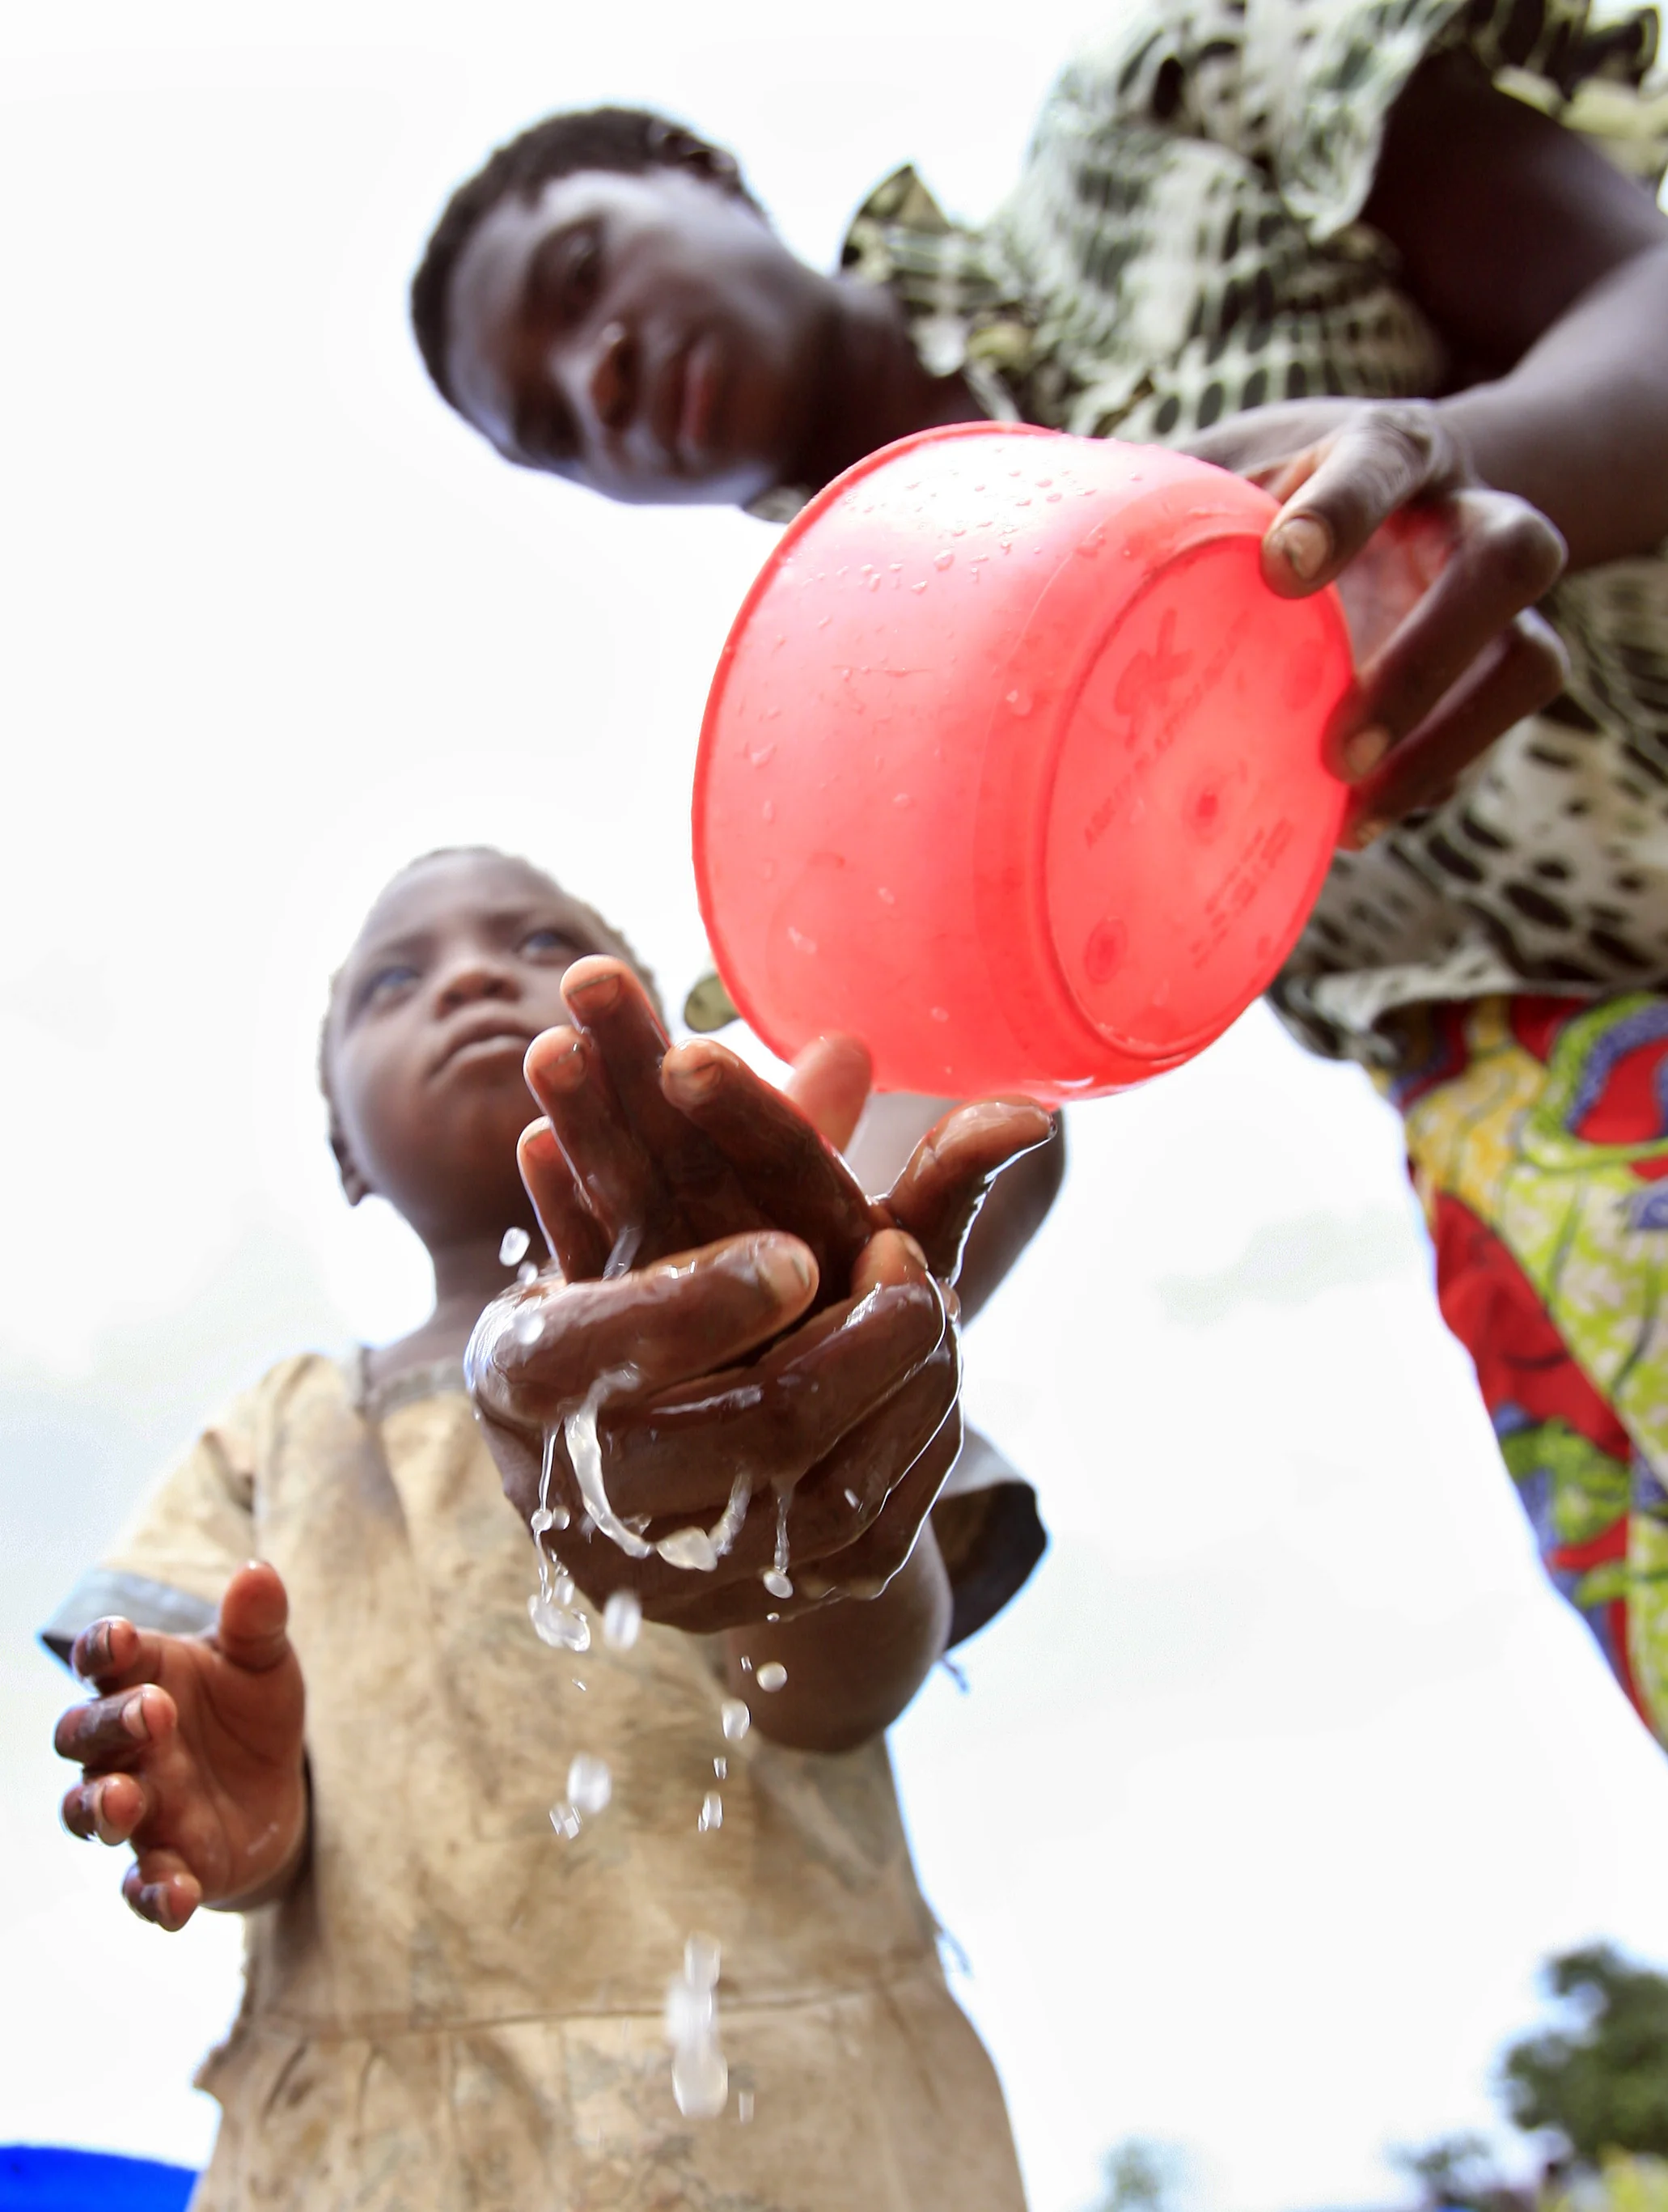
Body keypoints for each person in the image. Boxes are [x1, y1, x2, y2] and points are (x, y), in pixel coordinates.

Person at [407, 0, 1668, 1741]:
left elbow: (1645, 294)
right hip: (1565, 1108)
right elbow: (887, 1136)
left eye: (577, 280)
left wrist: (1468, 474)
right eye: (553, 422)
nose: (598, 378)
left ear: (692, 175)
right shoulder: (850, 754)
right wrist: (729, 1355)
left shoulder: (1167, 107)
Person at [45, 845, 1056, 2210]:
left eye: (539, 943)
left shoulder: (794, 1335)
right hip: (379, 2155)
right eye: (397, 976)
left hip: (793, 2129)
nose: (470, 972)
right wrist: (242, 1816)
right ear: (345, 1147)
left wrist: (799, 1473)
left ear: (658, 1058)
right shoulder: (277, 1433)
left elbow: (838, 1695)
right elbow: (234, 1799)